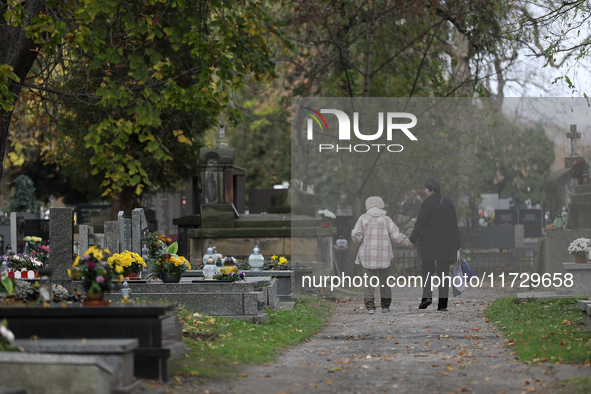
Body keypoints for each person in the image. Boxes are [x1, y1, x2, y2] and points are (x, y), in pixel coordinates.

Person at [351, 196, 413, 315]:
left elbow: (355, 234)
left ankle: (370, 307)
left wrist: (360, 243)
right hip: (384, 255)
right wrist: (408, 243)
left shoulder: (363, 218)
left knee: (368, 283)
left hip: (367, 255)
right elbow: (396, 236)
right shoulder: (386, 219)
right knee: (384, 281)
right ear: (381, 205)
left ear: (367, 205)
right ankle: (385, 306)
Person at [409, 180, 461, 311]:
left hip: (430, 243)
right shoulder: (449, 203)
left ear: (431, 189)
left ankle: (427, 296)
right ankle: (442, 304)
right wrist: (458, 244)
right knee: (443, 274)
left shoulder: (428, 203)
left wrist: (413, 239)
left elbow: (420, 223)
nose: (425, 191)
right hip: (447, 245)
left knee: (427, 270)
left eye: (426, 189)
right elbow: (454, 225)